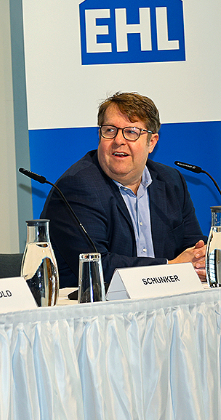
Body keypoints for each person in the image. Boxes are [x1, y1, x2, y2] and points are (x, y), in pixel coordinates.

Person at [40, 92, 206, 286]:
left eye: (131, 132)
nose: (118, 140)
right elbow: (96, 267)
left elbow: (194, 248)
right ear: (100, 135)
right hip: (93, 302)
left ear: (151, 142)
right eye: (110, 130)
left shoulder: (171, 181)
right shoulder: (77, 186)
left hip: (163, 299)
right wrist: (171, 267)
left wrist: (201, 260)